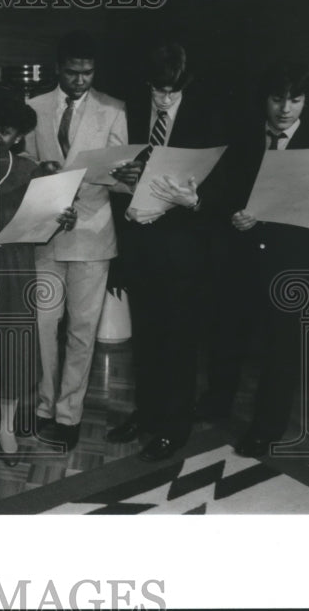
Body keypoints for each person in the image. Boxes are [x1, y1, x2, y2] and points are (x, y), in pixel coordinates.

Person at [195, 61, 309, 457]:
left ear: (305, 101)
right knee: (228, 334)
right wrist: (235, 214)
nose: (285, 108)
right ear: (265, 99)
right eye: (277, 98)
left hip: (293, 262)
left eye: (295, 100)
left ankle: (266, 428)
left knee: (282, 348)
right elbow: (223, 193)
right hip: (242, 256)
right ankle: (217, 402)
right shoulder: (244, 137)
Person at [105, 43, 227, 461]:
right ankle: (148, 413)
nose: (166, 99)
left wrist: (193, 199)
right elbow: (118, 173)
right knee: (147, 341)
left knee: (178, 342)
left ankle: (175, 428)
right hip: (140, 244)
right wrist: (128, 176)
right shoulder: (133, 112)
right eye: (159, 91)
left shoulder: (206, 117)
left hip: (182, 251)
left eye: (173, 92)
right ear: (148, 85)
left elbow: (224, 186)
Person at [23, 29, 128, 451]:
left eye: (87, 73)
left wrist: (127, 177)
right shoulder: (34, 106)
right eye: (72, 73)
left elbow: (122, 180)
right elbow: (23, 167)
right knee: (43, 327)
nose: (80, 81)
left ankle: (69, 415)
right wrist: (40, 174)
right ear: (58, 70)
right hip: (45, 233)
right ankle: (44, 406)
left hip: (93, 234)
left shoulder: (114, 109)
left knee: (82, 332)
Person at [0, 94, 76, 466]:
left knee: (12, 347)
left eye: (4, 130)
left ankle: (5, 425)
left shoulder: (29, 170)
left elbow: (43, 227)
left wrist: (62, 218)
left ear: (17, 137)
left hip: (13, 269)